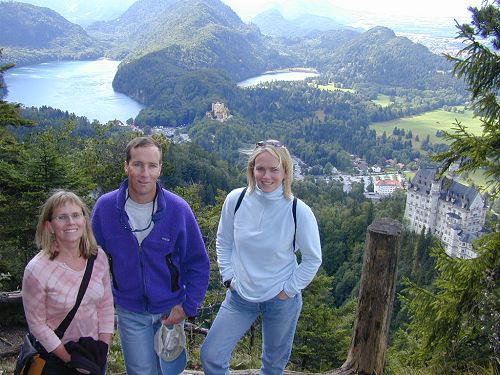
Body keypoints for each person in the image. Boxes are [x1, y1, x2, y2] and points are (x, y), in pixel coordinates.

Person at [200, 139, 322, 375]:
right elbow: (224, 241)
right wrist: (229, 278)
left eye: (274, 169)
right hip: (240, 296)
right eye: (260, 168)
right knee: (211, 356)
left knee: (273, 367)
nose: (266, 176)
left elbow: (312, 259)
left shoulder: (298, 211)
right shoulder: (235, 200)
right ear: (252, 169)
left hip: (281, 301)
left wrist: (287, 290)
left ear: (285, 171)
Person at [91, 136, 210, 375]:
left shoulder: (178, 210)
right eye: (137, 164)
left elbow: (198, 263)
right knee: (141, 371)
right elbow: (91, 260)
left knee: (170, 370)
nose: (144, 173)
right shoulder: (105, 208)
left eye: (152, 165)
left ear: (160, 169)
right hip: (130, 310)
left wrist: (188, 306)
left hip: (171, 310)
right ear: (126, 166)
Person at [22, 190, 114, 375]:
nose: (71, 222)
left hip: (94, 355)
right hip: (58, 359)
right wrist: (71, 360)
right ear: (49, 226)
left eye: (75, 215)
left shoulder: (98, 258)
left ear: (84, 220)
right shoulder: (37, 270)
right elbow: (37, 325)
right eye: (62, 217)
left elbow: (105, 305)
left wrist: (103, 348)